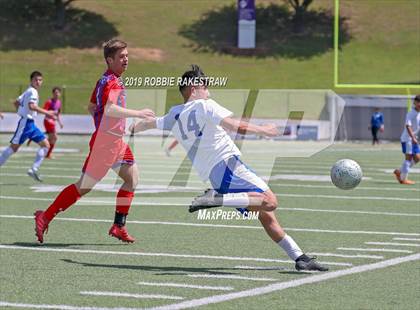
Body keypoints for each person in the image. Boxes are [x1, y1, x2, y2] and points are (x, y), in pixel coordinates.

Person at [131, 65, 328, 272]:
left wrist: (133, 126)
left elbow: (148, 124)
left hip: (215, 176)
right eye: (204, 85)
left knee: (266, 215)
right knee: (270, 202)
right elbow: (234, 125)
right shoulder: (205, 105)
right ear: (193, 88)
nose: (208, 89)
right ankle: (217, 198)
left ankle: (300, 257)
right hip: (228, 166)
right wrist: (264, 130)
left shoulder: (175, 114)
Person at [33, 39, 155, 244]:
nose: (126, 59)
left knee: (132, 178)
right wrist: (137, 113)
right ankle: (45, 216)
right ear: (109, 59)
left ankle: (119, 225)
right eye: (121, 57)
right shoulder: (110, 81)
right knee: (84, 187)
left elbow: (92, 107)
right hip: (106, 144)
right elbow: (108, 109)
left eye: (127, 55)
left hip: (115, 142)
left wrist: (105, 125)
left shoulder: (108, 79)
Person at [0, 71, 56, 182]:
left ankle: (33, 169)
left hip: (30, 124)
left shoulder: (28, 91)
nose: (38, 82)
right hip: (26, 124)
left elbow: (16, 102)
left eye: (40, 80)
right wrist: (47, 112)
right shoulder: (32, 92)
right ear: (31, 80)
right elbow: (32, 106)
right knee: (13, 148)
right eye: (36, 79)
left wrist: (21, 111)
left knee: (46, 145)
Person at [393, 95, 420, 185]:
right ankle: (403, 179)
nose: (419, 104)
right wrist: (412, 137)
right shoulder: (411, 113)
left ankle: (399, 171)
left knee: (417, 158)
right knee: (408, 158)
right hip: (408, 139)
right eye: (418, 102)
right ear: (415, 103)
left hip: (414, 139)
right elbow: (408, 126)